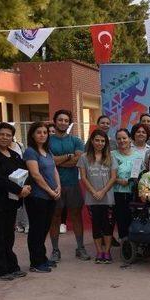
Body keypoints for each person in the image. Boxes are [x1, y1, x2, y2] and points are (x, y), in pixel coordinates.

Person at [0, 123, 31, 280]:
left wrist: (27, 186)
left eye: (8, 135)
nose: (5, 137)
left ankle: (12, 266)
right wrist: (18, 190)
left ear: (12, 138)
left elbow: (24, 172)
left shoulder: (14, 155)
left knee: (8, 236)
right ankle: (0, 271)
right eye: (1, 134)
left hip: (10, 203)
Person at [48, 109, 90, 262]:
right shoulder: (47, 140)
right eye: (60, 120)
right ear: (55, 121)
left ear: (69, 123)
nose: (63, 123)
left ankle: (80, 248)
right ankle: (55, 250)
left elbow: (78, 161)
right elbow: (49, 161)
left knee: (76, 217)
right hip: (54, 185)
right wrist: (68, 156)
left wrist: (58, 160)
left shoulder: (76, 140)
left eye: (66, 120)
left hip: (73, 184)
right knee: (55, 218)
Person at [23, 122, 61, 273]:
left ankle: (42, 258)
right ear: (32, 134)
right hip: (37, 197)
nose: (42, 135)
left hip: (50, 197)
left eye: (45, 132)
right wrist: (50, 191)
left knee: (44, 228)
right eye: (39, 132)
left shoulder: (47, 151)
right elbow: (35, 175)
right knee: (36, 230)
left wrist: (58, 187)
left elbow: (54, 170)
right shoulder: (30, 152)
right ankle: (36, 263)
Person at [78, 130, 118, 264]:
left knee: (107, 225)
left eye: (102, 141)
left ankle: (107, 251)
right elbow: (83, 177)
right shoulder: (84, 157)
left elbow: (113, 177)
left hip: (107, 197)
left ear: (106, 142)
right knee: (96, 225)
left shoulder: (110, 157)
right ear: (92, 141)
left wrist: (102, 191)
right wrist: (94, 192)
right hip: (92, 197)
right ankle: (99, 252)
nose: (99, 143)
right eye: (97, 140)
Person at [112, 129, 145, 242]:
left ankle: (136, 240)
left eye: (124, 138)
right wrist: (117, 180)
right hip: (117, 192)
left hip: (134, 192)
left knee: (134, 217)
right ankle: (125, 243)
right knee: (121, 218)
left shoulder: (137, 156)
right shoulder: (112, 155)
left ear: (130, 139)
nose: (122, 141)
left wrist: (137, 179)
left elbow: (142, 173)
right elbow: (106, 174)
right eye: (119, 138)